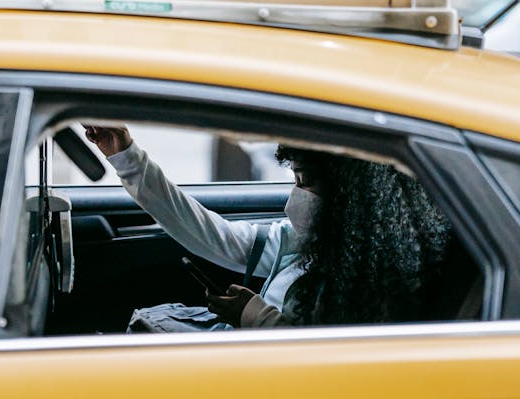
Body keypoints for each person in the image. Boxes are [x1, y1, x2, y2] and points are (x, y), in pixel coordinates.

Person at [84, 125, 452, 330]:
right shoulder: (303, 241)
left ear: (352, 196)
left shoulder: (379, 277)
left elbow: (324, 369)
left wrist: (255, 317)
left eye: (305, 181)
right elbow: (211, 234)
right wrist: (127, 157)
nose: (296, 195)